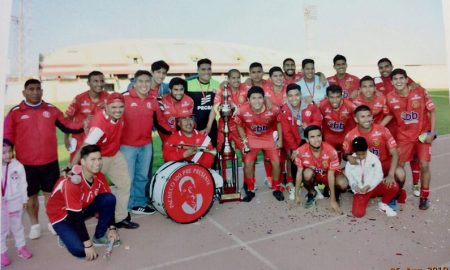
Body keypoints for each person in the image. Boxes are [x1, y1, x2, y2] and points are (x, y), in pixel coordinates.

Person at [3, 79, 84, 239]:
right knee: (31, 196)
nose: (35, 92)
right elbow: (7, 135)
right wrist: (5, 151)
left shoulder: (52, 110)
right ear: (24, 92)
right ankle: (34, 225)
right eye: (31, 89)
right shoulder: (15, 112)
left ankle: (52, 222)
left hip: (49, 162)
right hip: (26, 164)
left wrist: (85, 123)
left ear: (42, 91)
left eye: (38, 89)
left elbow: (67, 125)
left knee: (50, 195)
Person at [70, 92, 139, 228]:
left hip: (114, 153)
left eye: (120, 107)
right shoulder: (99, 126)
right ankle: (71, 221)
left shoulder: (114, 113)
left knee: (125, 183)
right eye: (114, 107)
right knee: (88, 193)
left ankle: (120, 218)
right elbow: (85, 146)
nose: (118, 110)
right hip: (99, 158)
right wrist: (71, 166)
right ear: (107, 107)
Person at [46, 145, 120, 260]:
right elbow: (75, 216)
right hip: (61, 216)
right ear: (83, 162)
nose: (98, 163)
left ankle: (99, 236)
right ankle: (63, 233)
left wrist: (112, 228)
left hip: (80, 208)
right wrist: (88, 244)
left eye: (99, 159)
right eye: (93, 159)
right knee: (81, 251)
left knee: (109, 198)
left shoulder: (99, 176)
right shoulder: (72, 182)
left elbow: (109, 202)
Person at [384, 69, 436, 210]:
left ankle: (424, 197)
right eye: (395, 79)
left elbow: (432, 110)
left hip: (422, 135)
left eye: (402, 78)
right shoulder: (389, 97)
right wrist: (378, 127)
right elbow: (389, 114)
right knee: (398, 167)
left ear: (407, 80)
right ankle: (397, 193)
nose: (399, 81)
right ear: (392, 82)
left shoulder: (420, 91)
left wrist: (432, 132)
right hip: (404, 137)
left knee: (424, 165)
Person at [343, 105, 406, 209]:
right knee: (344, 174)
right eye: (362, 117)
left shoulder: (382, 130)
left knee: (400, 174)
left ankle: (394, 195)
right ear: (356, 119)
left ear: (372, 116)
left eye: (368, 116)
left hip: (384, 163)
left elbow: (395, 153)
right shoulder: (351, 135)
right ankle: (372, 189)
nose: (367, 119)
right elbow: (345, 153)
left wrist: (390, 174)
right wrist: (348, 157)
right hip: (366, 167)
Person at [374, 58, 421, 197]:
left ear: (391, 66)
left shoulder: (400, 78)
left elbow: (416, 87)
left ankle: (416, 183)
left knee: (414, 156)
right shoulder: (375, 81)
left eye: (386, 66)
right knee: (388, 156)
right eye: (381, 67)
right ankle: (387, 184)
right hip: (387, 126)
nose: (384, 69)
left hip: (405, 127)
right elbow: (362, 87)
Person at [235, 86, 284, 202]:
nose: (257, 101)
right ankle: (250, 189)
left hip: (268, 137)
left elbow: (278, 123)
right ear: (248, 99)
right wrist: (245, 141)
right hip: (252, 137)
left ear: (264, 98)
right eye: (253, 98)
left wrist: (280, 140)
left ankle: (276, 188)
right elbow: (238, 125)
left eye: (259, 98)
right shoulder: (242, 110)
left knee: (276, 163)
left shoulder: (273, 109)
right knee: (248, 163)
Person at [121, 70, 159, 215]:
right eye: (141, 81)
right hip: (127, 146)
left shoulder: (152, 100)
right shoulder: (124, 97)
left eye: (147, 81)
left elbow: (161, 120)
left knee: (142, 176)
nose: (144, 84)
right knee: (128, 177)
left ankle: (139, 203)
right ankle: (126, 206)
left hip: (146, 144)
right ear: (134, 83)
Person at [280, 84, 322, 200]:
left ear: (301, 95)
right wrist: (295, 149)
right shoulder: (284, 110)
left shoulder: (310, 105)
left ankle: (315, 185)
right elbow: (286, 133)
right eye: (291, 96)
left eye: (297, 95)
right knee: (294, 158)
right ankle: (294, 185)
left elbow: (318, 121)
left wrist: (308, 126)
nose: (294, 98)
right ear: (287, 96)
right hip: (294, 140)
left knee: (314, 159)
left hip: (310, 139)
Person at [294, 125, 348, 214]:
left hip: (328, 175)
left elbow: (331, 175)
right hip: (315, 175)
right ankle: (312, 193)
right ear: (307, 140)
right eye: (312, 137)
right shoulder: (300, 151)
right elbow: (299, 173)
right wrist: (297, 196)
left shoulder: (331, 151)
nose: (316, 140)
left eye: (319, 136)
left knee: (343, 184)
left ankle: (333, 192)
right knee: (306, 173)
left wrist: (332, 200)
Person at [345, 137, 398, 218]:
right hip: (361, 191)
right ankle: (363, 199)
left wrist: (369, 185)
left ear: (367, 149)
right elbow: (349, 175)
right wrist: (355, 186)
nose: (361, 157)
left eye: (363, 154)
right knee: (358, 214)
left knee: (393, 186)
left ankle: (383, 204)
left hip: (373, 187)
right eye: (358, 154)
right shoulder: (351, 160)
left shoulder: (373, 158)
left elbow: (379, 175)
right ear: (354, 152)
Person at [64, 71, 110, 161]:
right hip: (79, 140)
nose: (99, 84)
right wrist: (66, 138)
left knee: (96, 168)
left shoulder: (108, 98)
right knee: (75, 168)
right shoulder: (79, 98)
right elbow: (68, 118)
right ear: (88, 83)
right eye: (95, 81)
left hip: (99, 140)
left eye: (101, 81)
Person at [1, 139, 32, 267]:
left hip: (16, 202)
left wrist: (24, 200)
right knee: (1, 229)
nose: (8, 155)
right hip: (1, 205)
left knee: (17, 226)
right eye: (3, 152)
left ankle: (21, 247)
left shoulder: (18, 166)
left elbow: (23, 184)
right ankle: (2, 252)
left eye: (9, 151)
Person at [187, 58, 220, 147]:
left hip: (211, 125)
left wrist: (208, 127)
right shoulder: (188, 85)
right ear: (197, 70)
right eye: (203, 69)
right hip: (192, 126)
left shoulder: (217, 85)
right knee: (193, 155)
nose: (207, 72)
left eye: (209, 69)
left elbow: (216, 106)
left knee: (211, 154)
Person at [213, 69, 248, 152]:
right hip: (224, 125)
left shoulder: (245, 88)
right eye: (233, 78)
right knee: (221, 151)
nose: (236, 80)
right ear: (228, 79)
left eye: (238, 78)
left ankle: (247, 165)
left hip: (240, 126)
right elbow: (216, 107)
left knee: (246, 150)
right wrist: (228, 104)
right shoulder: (222, 89)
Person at [318, 84, 356, 152]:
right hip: (329, 137)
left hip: (346, 136)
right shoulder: (321, 105)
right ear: (327, 97)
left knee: (347, 156)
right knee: (329, 157)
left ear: (342, 96)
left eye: (337, 97)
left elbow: (360, 118)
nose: (334, 100)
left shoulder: (350, 106)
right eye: (331, 97)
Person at [158, 77, 194, 143]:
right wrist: (170, 133)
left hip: (184, 139)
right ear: (170, 90)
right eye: (176, 90)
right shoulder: (161, 101)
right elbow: (159, 122)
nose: (179, 93)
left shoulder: (189, 100)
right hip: (167, 139)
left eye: (181, 89)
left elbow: (190, 121)